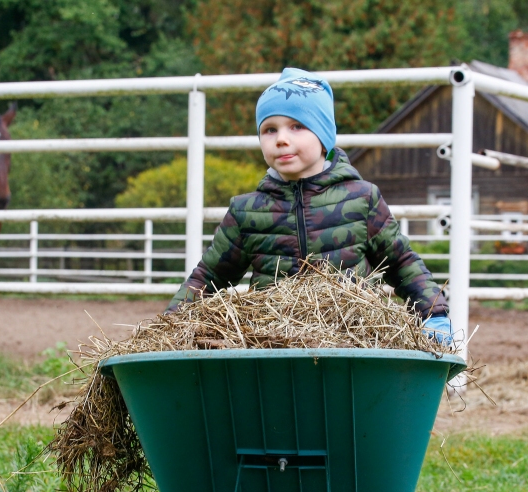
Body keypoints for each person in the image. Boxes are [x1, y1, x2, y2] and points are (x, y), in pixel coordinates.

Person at [166, 67, 454, 345]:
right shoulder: (247, 212)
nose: (281, 139)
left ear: (324, 136)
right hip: (272, 342)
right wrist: (170, 325)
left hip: (353, 340)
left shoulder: (362, 200)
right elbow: (209, 276)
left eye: (297, 126)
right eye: (269, 129)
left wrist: (433, 313)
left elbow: (402, 263)